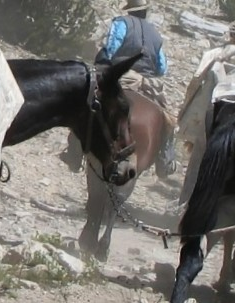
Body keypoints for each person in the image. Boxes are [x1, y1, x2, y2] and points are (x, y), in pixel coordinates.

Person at [60, 0, 172, 173]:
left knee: (87, 104)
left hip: (122, 75)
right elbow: (162, 67)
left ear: (130, 9)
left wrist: (101, 58)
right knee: (167, 119)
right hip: (146, 82)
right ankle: (164, 160)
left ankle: (74, 152)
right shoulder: (156, 35)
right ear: (145, 12)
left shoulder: (121, 23)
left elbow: (111, 49)